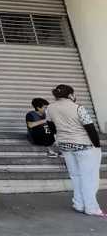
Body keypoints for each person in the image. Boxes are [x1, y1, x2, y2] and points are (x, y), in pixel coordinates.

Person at [46, 84, 103, 216]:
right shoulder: (78, 108)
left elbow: (51, 126)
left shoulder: (50, 108)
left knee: (75, 175)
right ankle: (91, 207)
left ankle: (78, 204)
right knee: (89, 178)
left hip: (65, 145)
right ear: (71, 95)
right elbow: (90, 128)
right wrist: (97, 146)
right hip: (84, 145)